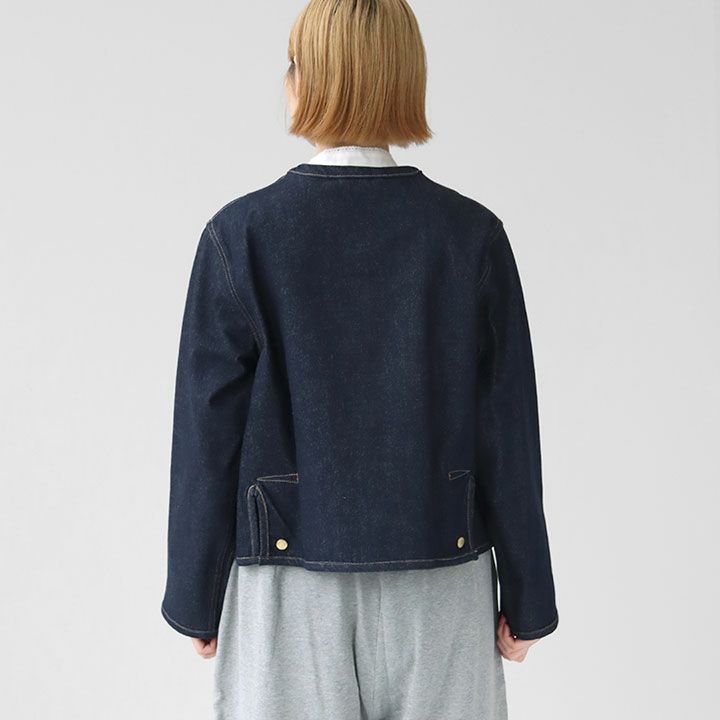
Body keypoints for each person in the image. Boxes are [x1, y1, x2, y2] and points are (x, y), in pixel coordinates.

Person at [161, 1, 558, 718]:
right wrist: (529, 599)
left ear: (301, 83)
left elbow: (207, 431)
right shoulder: (471, 237)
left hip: (287, 591)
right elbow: (508, 428)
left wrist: (193, 595)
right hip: (443, 582)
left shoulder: (240, 236)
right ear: (408, 78)